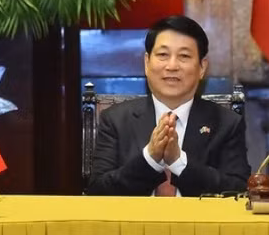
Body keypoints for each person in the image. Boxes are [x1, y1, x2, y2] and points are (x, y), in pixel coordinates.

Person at [87, 16, 250, 197]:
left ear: (202, 67)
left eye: (184, 56)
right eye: (163, 55)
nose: (172, 66)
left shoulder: (226, 124)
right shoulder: (116, 120)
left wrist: (179, 162)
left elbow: (238, 191)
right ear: (147, 63)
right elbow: (97, 191)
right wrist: (150, 158)